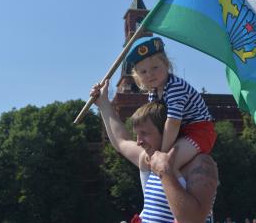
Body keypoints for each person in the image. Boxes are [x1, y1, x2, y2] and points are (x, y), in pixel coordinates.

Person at [90, 80, 218, 223]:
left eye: (144, 133)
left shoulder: (201, 163)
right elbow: (121, 141)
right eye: (137, 134)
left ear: (166, 131)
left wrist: (165, 171)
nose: (139, 141)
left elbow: (194, 219)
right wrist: (103, 103)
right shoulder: (147, 157)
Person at [125, 37, 217, 176]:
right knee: (144, 160)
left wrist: (162, 152)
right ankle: (148, 194)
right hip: (180, 132)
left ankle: (180, 195)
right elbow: (156, 122)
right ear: (138, 76)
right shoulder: (154, 92)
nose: (150, 74)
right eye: (143, 72)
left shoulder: (175, 87)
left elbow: (173, 122)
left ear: (166, 64)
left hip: (199, 132)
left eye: (155, 67)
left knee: (168, 163)